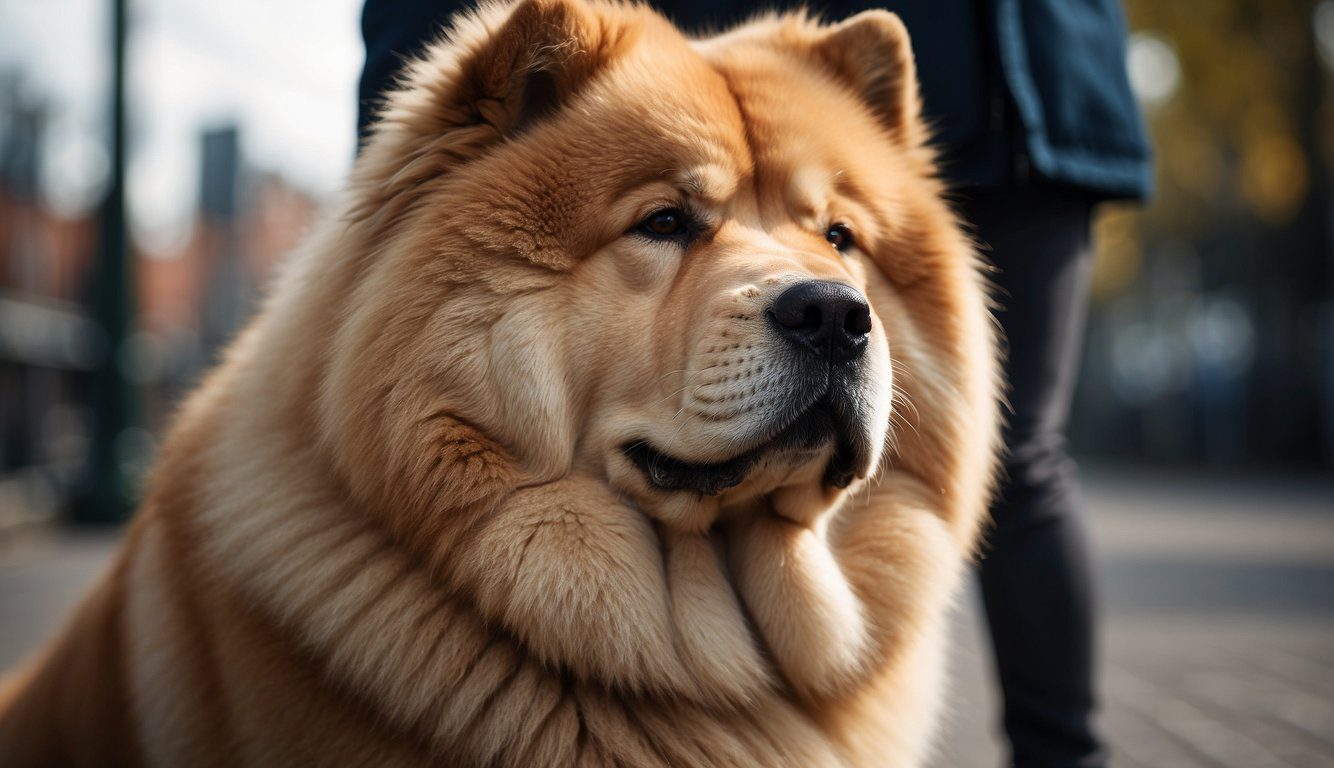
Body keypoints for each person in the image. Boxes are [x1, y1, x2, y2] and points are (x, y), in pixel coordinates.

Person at [358, 2, 1151, 766]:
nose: (827, 298)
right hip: (1033, 89)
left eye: (839, 237)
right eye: (667, 223)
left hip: (1029, 95)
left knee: (1021, 461)